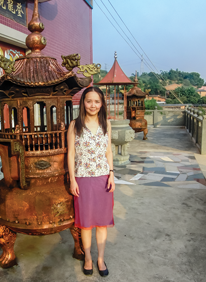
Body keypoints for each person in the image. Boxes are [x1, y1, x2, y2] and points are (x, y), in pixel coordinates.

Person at [67, 86, 115, 277]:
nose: (92, 105)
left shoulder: (106, 125)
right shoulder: (74, 125)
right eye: (89, 101)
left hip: (103, 178)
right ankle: (87, 257)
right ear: (83, 103)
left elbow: (108, 152)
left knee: (102, 223)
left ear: (102, 103)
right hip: (83, 179)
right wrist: (72, 180)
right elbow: (70, 155)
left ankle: (100, 259)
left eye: (97, 101)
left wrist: (111, 173)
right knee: (86, 223)